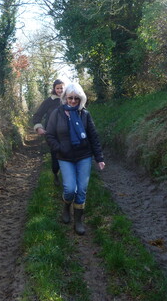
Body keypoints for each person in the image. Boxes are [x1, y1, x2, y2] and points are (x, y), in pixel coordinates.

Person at [45, 82, 105, 235]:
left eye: (76, 99)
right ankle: (66, 206)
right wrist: (59, 148)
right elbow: (50, 135)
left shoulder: (84, 114)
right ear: (64, 98)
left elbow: (93, 137)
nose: (72, 101)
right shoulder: (56, 113)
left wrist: (99, 158)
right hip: (65, 158)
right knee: (70, 189)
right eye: (70, 98)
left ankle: (78, 221)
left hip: (84, 156)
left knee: (82, 190)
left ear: (81, 100)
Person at [32, 79, 65, 186]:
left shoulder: (69, 99)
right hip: (52, 133)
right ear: (54, 89)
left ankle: (68, 177)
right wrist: (39, 128)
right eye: (58, 88)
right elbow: (37, 116)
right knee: (55, 154)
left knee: (67, 153)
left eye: (61, 88)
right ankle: (56, 173)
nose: (60, 90)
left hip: (67, 133)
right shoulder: (48, 101)